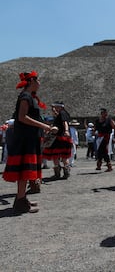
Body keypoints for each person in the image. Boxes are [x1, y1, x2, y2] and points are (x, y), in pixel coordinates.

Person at [3, 71, 52, 214]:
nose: (40, 84)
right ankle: (20, 201)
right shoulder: (25, 97)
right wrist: (43, 126)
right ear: (31, 82)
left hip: (29, 138)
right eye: (38, 81)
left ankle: (22, 198)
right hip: (25, 139)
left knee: (25, 171)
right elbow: (22, 117)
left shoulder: (29, 97)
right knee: (24, 171)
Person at [42, 101, 74, 180]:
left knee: (60, 155)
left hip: (60, 137)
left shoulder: (62, 113)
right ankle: (62, 172)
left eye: (55, 107)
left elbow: (65, 122)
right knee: (59, 155)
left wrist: (66, 130)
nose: (54, 108)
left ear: (60, 107)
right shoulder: (61, 114)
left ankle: (61, 172)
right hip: (59, 137)